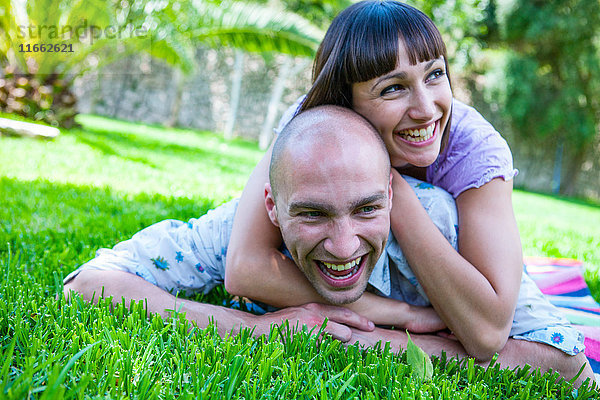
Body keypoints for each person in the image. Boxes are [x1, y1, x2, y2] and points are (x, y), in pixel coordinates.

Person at [63, 106, 594, 385]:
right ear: (272, 207)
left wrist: (380, 342)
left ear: (392, 196)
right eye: (313, 214)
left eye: (366, 209)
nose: (343, 247)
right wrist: (257, 328)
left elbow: (568, 365)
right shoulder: (235, 230)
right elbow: (86, 285)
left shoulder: (444, 229)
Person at [224, 0, 532, 364]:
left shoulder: (475, 150)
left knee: (556, 358)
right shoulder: (312, 126)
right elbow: (244, 267)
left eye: (435, 74)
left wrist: (395, 192)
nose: (426, 108)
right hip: (393, 291)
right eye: (393, 88)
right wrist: (401, 315)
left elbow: (487, 333)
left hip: (458, 271)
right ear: (345, 101)